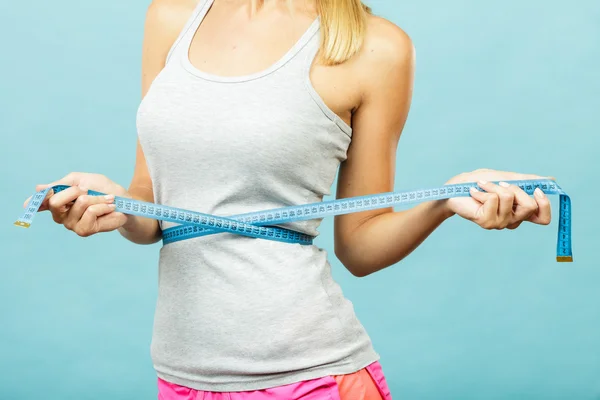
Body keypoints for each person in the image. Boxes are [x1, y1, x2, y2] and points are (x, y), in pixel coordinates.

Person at [25, 0, 553, 398]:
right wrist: (119, 207)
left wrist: (444, 202)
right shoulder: (174, 14)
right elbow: (153, 206)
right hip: (181, 374)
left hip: (312, 376)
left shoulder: (374, 46)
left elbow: (361, 247)